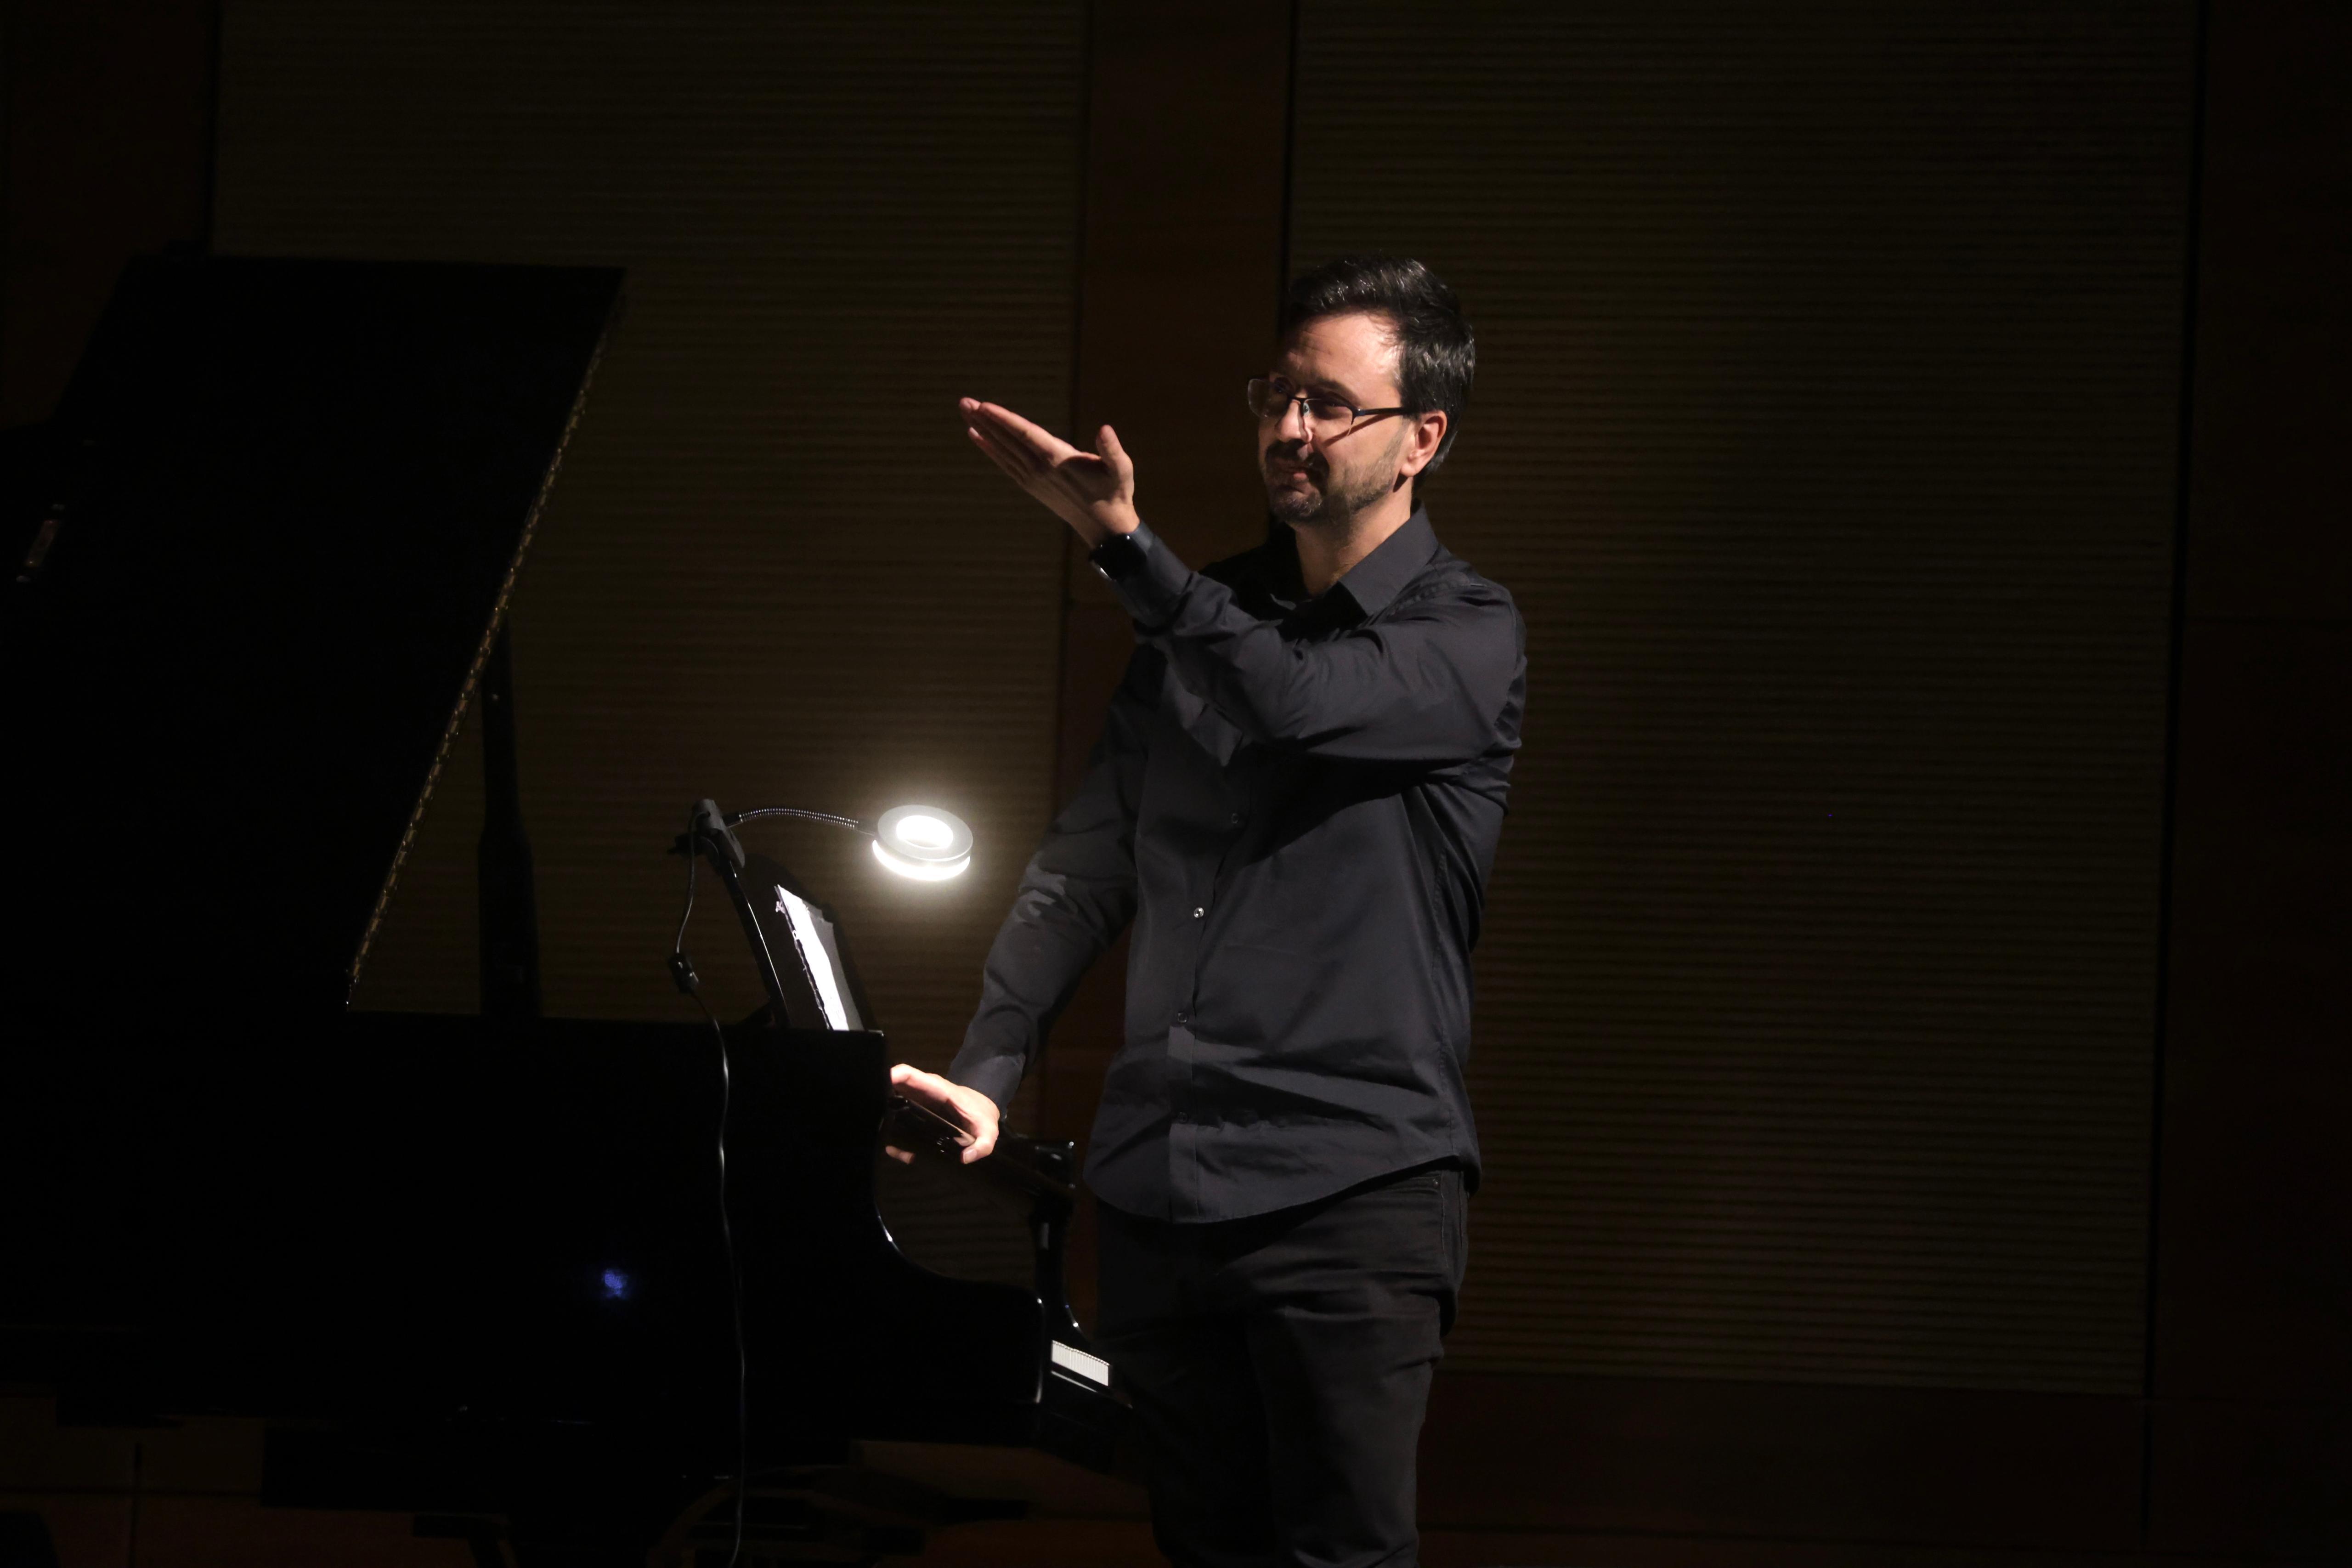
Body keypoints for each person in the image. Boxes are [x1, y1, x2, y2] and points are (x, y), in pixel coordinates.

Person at [892, 254, 1525, 1568]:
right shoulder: (1200, 619)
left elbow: (1294, 701)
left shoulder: (1468, 633)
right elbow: (1085, 868)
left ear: (1423, 437)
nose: (1290, 428)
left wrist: (1128, 550)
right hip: (1162, 1191)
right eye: (1276, 396)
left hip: (1349, 1193)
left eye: (1328, 404)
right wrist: (989, 1069)